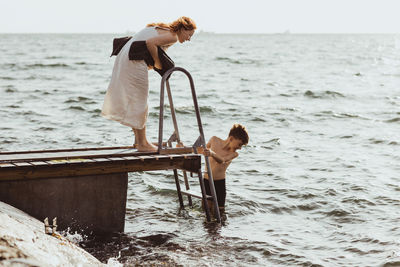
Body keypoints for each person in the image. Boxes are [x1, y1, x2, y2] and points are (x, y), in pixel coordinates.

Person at [102, 16, 196, 152]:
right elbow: (150, 43)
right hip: (133, 62)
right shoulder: (173, 36)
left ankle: (139, 141)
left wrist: (154, 64)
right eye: (189, 34)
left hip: (125, 59)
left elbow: (146, 44)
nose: (189, 39)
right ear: (183, 29)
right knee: (140, 102)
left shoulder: (162, 29)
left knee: (134, 102)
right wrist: (157, 63)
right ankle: (143, 144)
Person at [198, 124, 249, 214]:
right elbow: (200, 150)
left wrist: (212, 153)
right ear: (231, 138)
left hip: (220, 184)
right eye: (240, 144)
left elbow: (222, 160)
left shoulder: (234, 154)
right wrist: (184, 148)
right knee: (206, 211)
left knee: (220, 214)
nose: (240, 148)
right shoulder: (214, 140)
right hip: (207, 181)